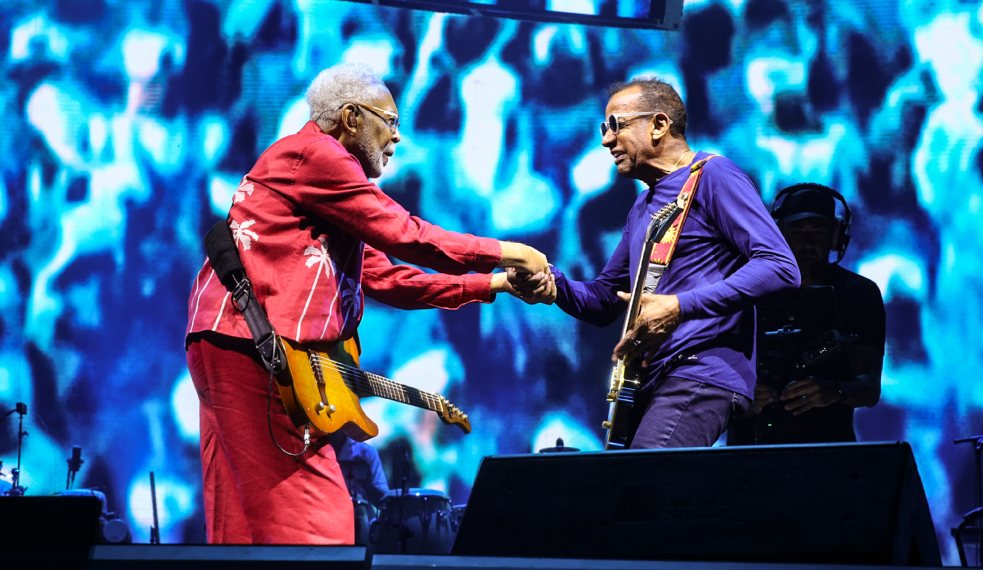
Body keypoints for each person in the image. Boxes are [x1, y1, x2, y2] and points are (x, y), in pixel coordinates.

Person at [184, 63, 548, 545]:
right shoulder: (318, 153)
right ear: (352, 118)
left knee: (242, 529)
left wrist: (492, 284)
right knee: (316, 528)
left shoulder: (321, 189)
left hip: (228, 340)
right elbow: (406, 235)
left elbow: (389, 278)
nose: (398, 139)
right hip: (252, 348)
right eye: (391, 122)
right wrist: (507, 250)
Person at [512, 78, 799, 448]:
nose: (605, 141)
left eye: (615, 125)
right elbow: (603, 300)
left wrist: (679, 306)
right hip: (654, 380)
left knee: (642, 494)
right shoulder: (642, 207)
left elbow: (780, 266)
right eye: (603, 128)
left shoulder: (714, 176)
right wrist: (549, 282)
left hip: (701, 373)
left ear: (659, 125)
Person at [728, 183, 885, 445]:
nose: (807, 242)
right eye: (797, 231)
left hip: (828, 450)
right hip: (748, 450)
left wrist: (834, 391)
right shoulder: (744, 289)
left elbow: (869, 387)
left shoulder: (860, 293)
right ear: (779, 234)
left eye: (818, 231)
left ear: (835, 235)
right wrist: (740, 397)